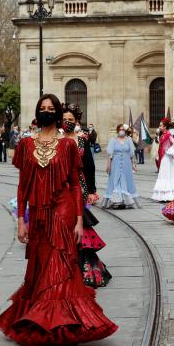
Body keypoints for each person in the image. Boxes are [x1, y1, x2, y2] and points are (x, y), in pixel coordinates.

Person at [0, 94, 117, 346]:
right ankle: (41, 317)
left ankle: (57, 321)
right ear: (37, 112)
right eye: (43, 108)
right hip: (38, 213)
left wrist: (79, 220)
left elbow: (73, 185)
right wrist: (20, 220)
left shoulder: (69, 145)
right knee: (40, 262)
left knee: (58, 261)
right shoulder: (26, 145)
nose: (47, 111)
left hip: (63, 211)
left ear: (58, 113)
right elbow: (22, 187)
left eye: (51, 108)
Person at [64, 103, 110, 288]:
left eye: (71, 120)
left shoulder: (82, 139)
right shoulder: (55, 138)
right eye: (64, 119)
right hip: (59, 187)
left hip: (78, 187)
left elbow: (89, 166)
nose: (67, 122)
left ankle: (82, 265)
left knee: (77, 221)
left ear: (76, 121)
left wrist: (91, 190)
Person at [104, 123, 138, 208]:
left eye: (123, 130)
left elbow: (132, 154)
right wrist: (108, 165)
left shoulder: (129, 140)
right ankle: (116, 201)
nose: (121, 131)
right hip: (115, 163)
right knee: (115, 181)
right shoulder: (113, 140)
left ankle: (126, 201)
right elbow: (110, 155)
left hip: (126, 164)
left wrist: (134, 164)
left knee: (126, 181)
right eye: (120, 130)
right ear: (117, 131)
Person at [152, 120, 174, 202]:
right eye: (160, 125)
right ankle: (163, 194)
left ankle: (168, 194)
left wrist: (168, 150)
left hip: (166, 157)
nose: (160, 127)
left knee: (167, 173)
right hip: (163, 157)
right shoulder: (163, 134)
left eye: (161, 126)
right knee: (163, 173)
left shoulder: (168, 134)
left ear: (165, 127)